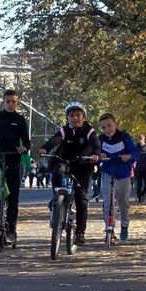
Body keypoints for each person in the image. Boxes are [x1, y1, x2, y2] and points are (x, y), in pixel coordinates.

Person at [39, 101, 100, 246]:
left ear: (83, 117)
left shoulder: (89, 131)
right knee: (56, 171)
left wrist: (97, 154)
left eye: (78, 115)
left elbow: (96, 144)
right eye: (71, 115)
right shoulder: (65, 130)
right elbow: (55, 140)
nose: (75, 118)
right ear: (68, 118)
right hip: (66, 162)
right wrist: (44, 149)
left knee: (81, 198)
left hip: (83, 166)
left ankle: (80, 232)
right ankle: (56, 197)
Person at [0, 89, 31, 250]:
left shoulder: (20, 119)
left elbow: (27, 141)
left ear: (17, 103)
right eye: (8, 101)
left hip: (13, 160)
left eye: (14, 102)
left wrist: (23, 148)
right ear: (3, 101)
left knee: (13, 198)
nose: (10, 104)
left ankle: (11, 230)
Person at [95, 113, 137, 243]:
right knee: (108, 202)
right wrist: (98, 156)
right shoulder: (100, 139)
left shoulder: (125, 138)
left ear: (116, 124)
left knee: (123, 203)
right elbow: (94, 154)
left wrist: (129, 156)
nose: (107, 130)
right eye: (103, 127)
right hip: (108, 173)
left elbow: (135, 152)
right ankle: (109, 229)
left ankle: (124, 226)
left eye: (109, 126)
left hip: (123, 175)